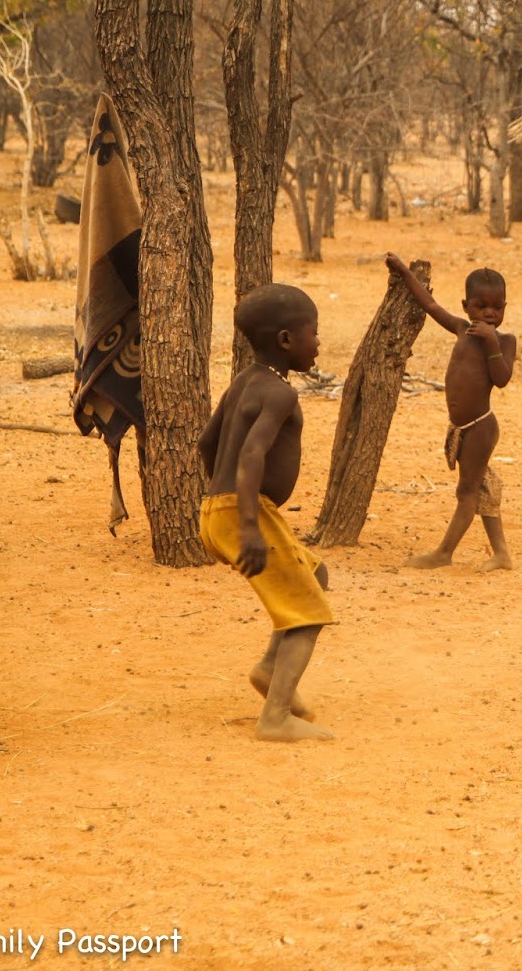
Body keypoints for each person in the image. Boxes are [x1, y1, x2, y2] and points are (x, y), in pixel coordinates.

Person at [197, 283, 334, 742]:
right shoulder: (280, 394)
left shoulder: (243, 382)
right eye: (314, 333)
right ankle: (275, 717)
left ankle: (269, 670)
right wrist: (248, 525)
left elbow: (206, 443)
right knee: (309, 613)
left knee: (314, 574)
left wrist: (220, 502)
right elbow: (252, 453)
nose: (318, 342)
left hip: (219, 508)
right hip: (246, 512)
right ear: (286, 340)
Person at [386, 254, 516, 572]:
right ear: (465, 307)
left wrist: (491, 343)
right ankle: (501, 554)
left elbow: (501, 379)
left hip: (480, 427)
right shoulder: (461, 329)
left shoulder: (505, 341)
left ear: (505, 307)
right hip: (462, 428)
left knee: (467, 491)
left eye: (497, 307)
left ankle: (444, 553)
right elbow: (430, 305)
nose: (489, 313)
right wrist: (403, 272)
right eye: (480, 306)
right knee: (482, 486)